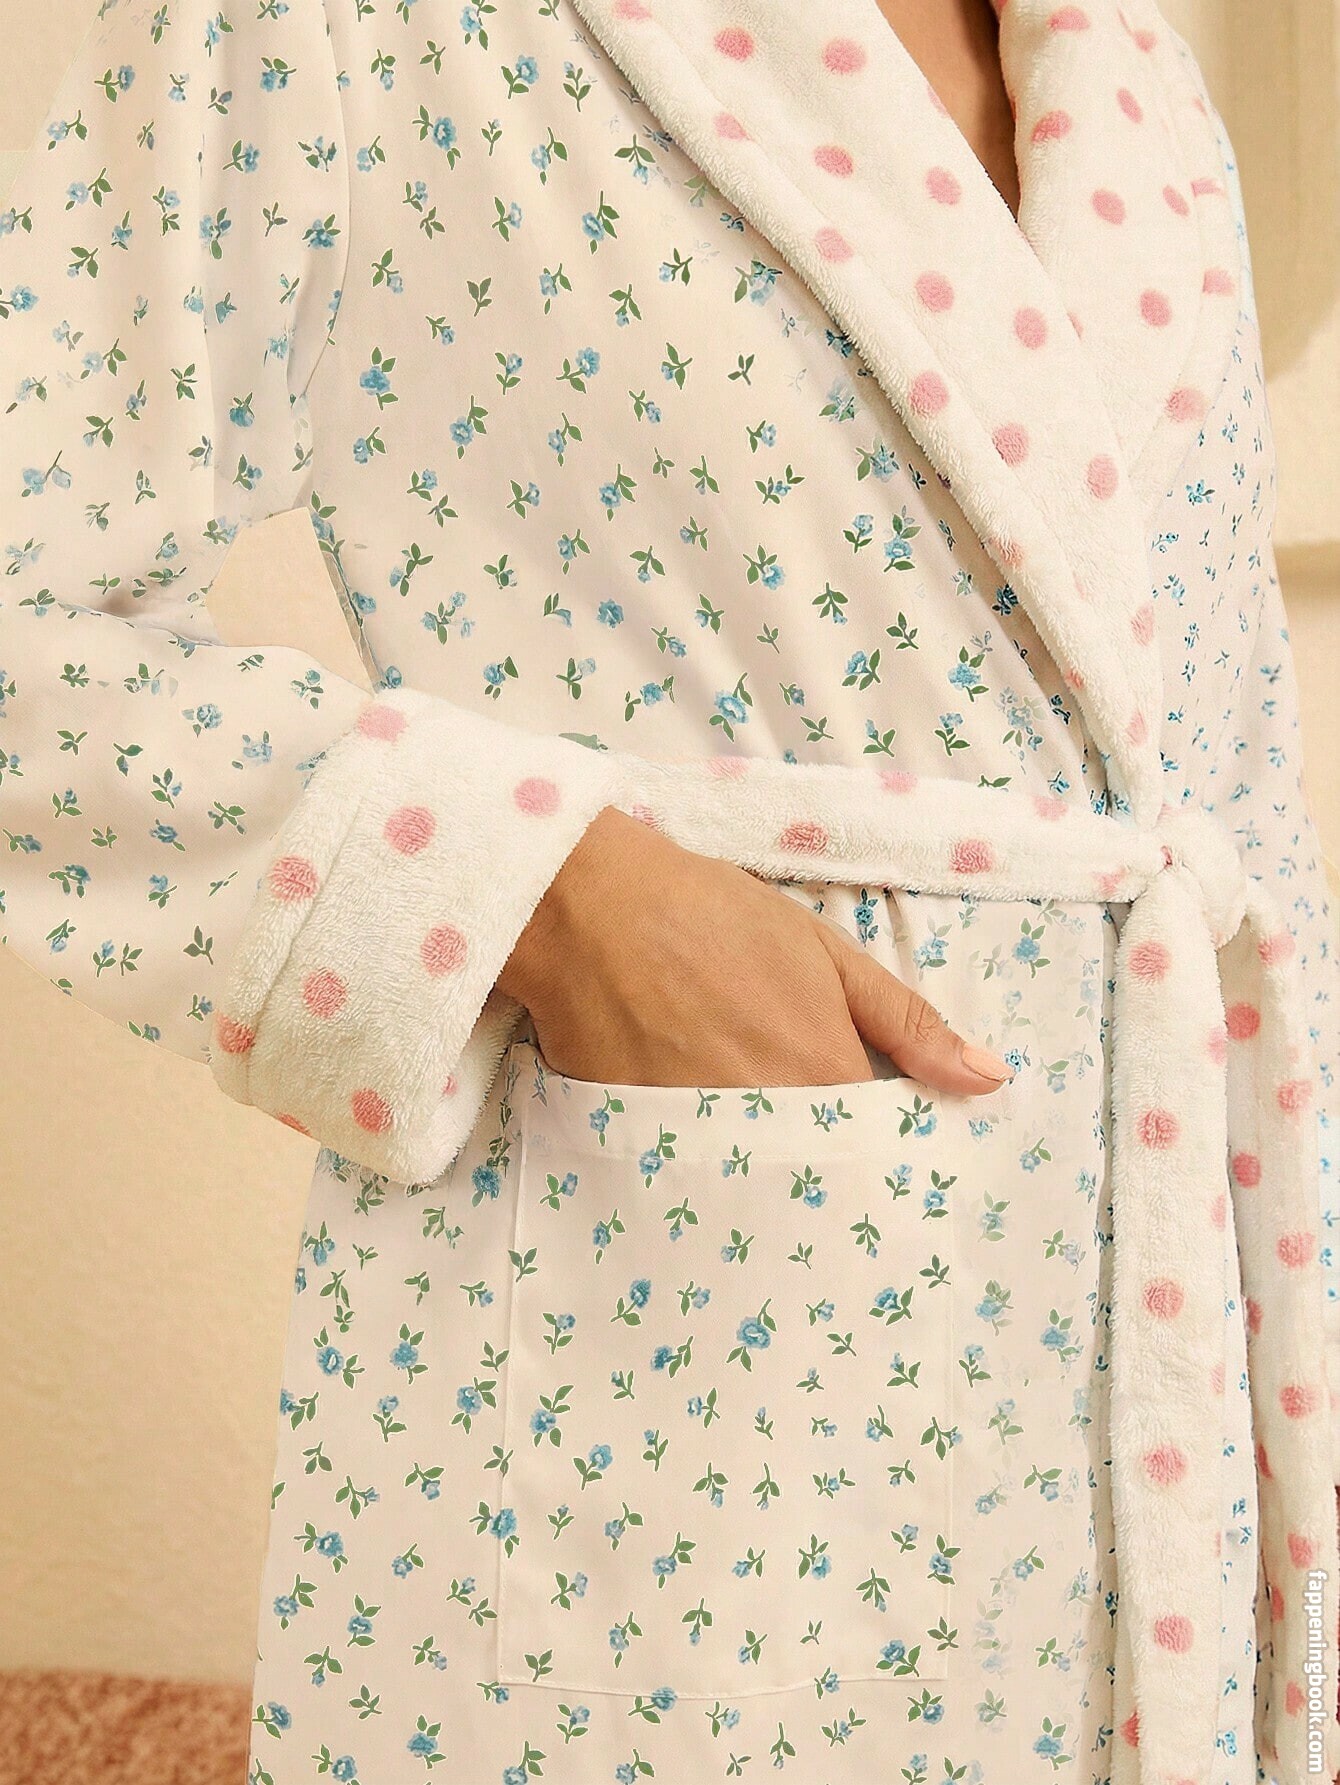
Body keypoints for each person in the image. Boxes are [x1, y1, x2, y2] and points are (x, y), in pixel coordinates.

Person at [2, 0, 1337, 1777]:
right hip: (674, 1370)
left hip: (1156, 1407)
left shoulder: (1137, 78)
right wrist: (550, 894)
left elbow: (1239, 790)